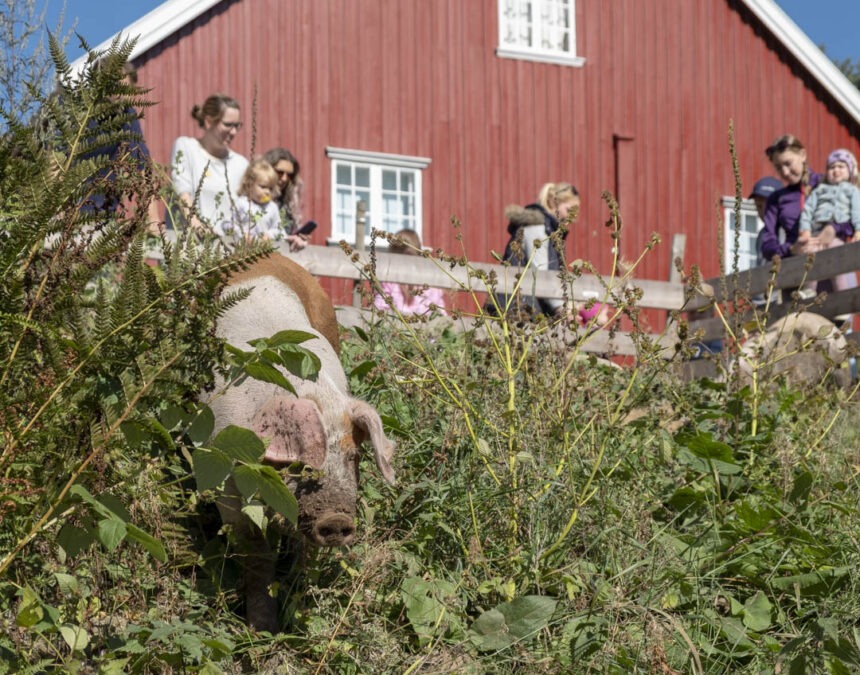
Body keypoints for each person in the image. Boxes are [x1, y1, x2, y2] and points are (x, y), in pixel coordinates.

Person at [493, 182, 607, 325]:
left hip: (528, 307)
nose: (572, 216)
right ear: (554, 203)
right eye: (569, 209)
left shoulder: (550, 231)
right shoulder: (537, 229)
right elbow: (540, 275)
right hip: (516, 307)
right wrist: (561, 308)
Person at [169, 93, 248, 235]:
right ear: (209, 122)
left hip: (227, 250)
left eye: (237, 125)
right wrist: (197, 226)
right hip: (188, 247)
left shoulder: (241, 164)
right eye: (228, 125)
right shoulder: (187, 147)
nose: (234, 132)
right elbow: (182, 191)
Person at [372, 229, 447, 316]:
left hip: (427, 328)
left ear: (418, 257)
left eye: (408, 256)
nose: (403, 262)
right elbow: (379, 308)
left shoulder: (429, 286)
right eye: (398, 257)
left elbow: (441, 316)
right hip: (395, 328)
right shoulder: (389, 283)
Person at [218, 159, 282, 241]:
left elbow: (278, 229)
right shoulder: (242, 204)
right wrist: (241, 233)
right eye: (263, 187)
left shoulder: (272, 207)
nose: (267, 191)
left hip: (265, 250)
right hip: (241, 249)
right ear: (249, 184)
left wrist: (269, 235)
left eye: (271, 188)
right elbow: (226, 224)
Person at [262, 147, 308, 251]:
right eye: (280, 172)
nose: (284, 179)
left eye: (289, 175)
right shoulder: (250, 200)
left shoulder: (288, 206)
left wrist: (296, 238)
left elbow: (283, 237)